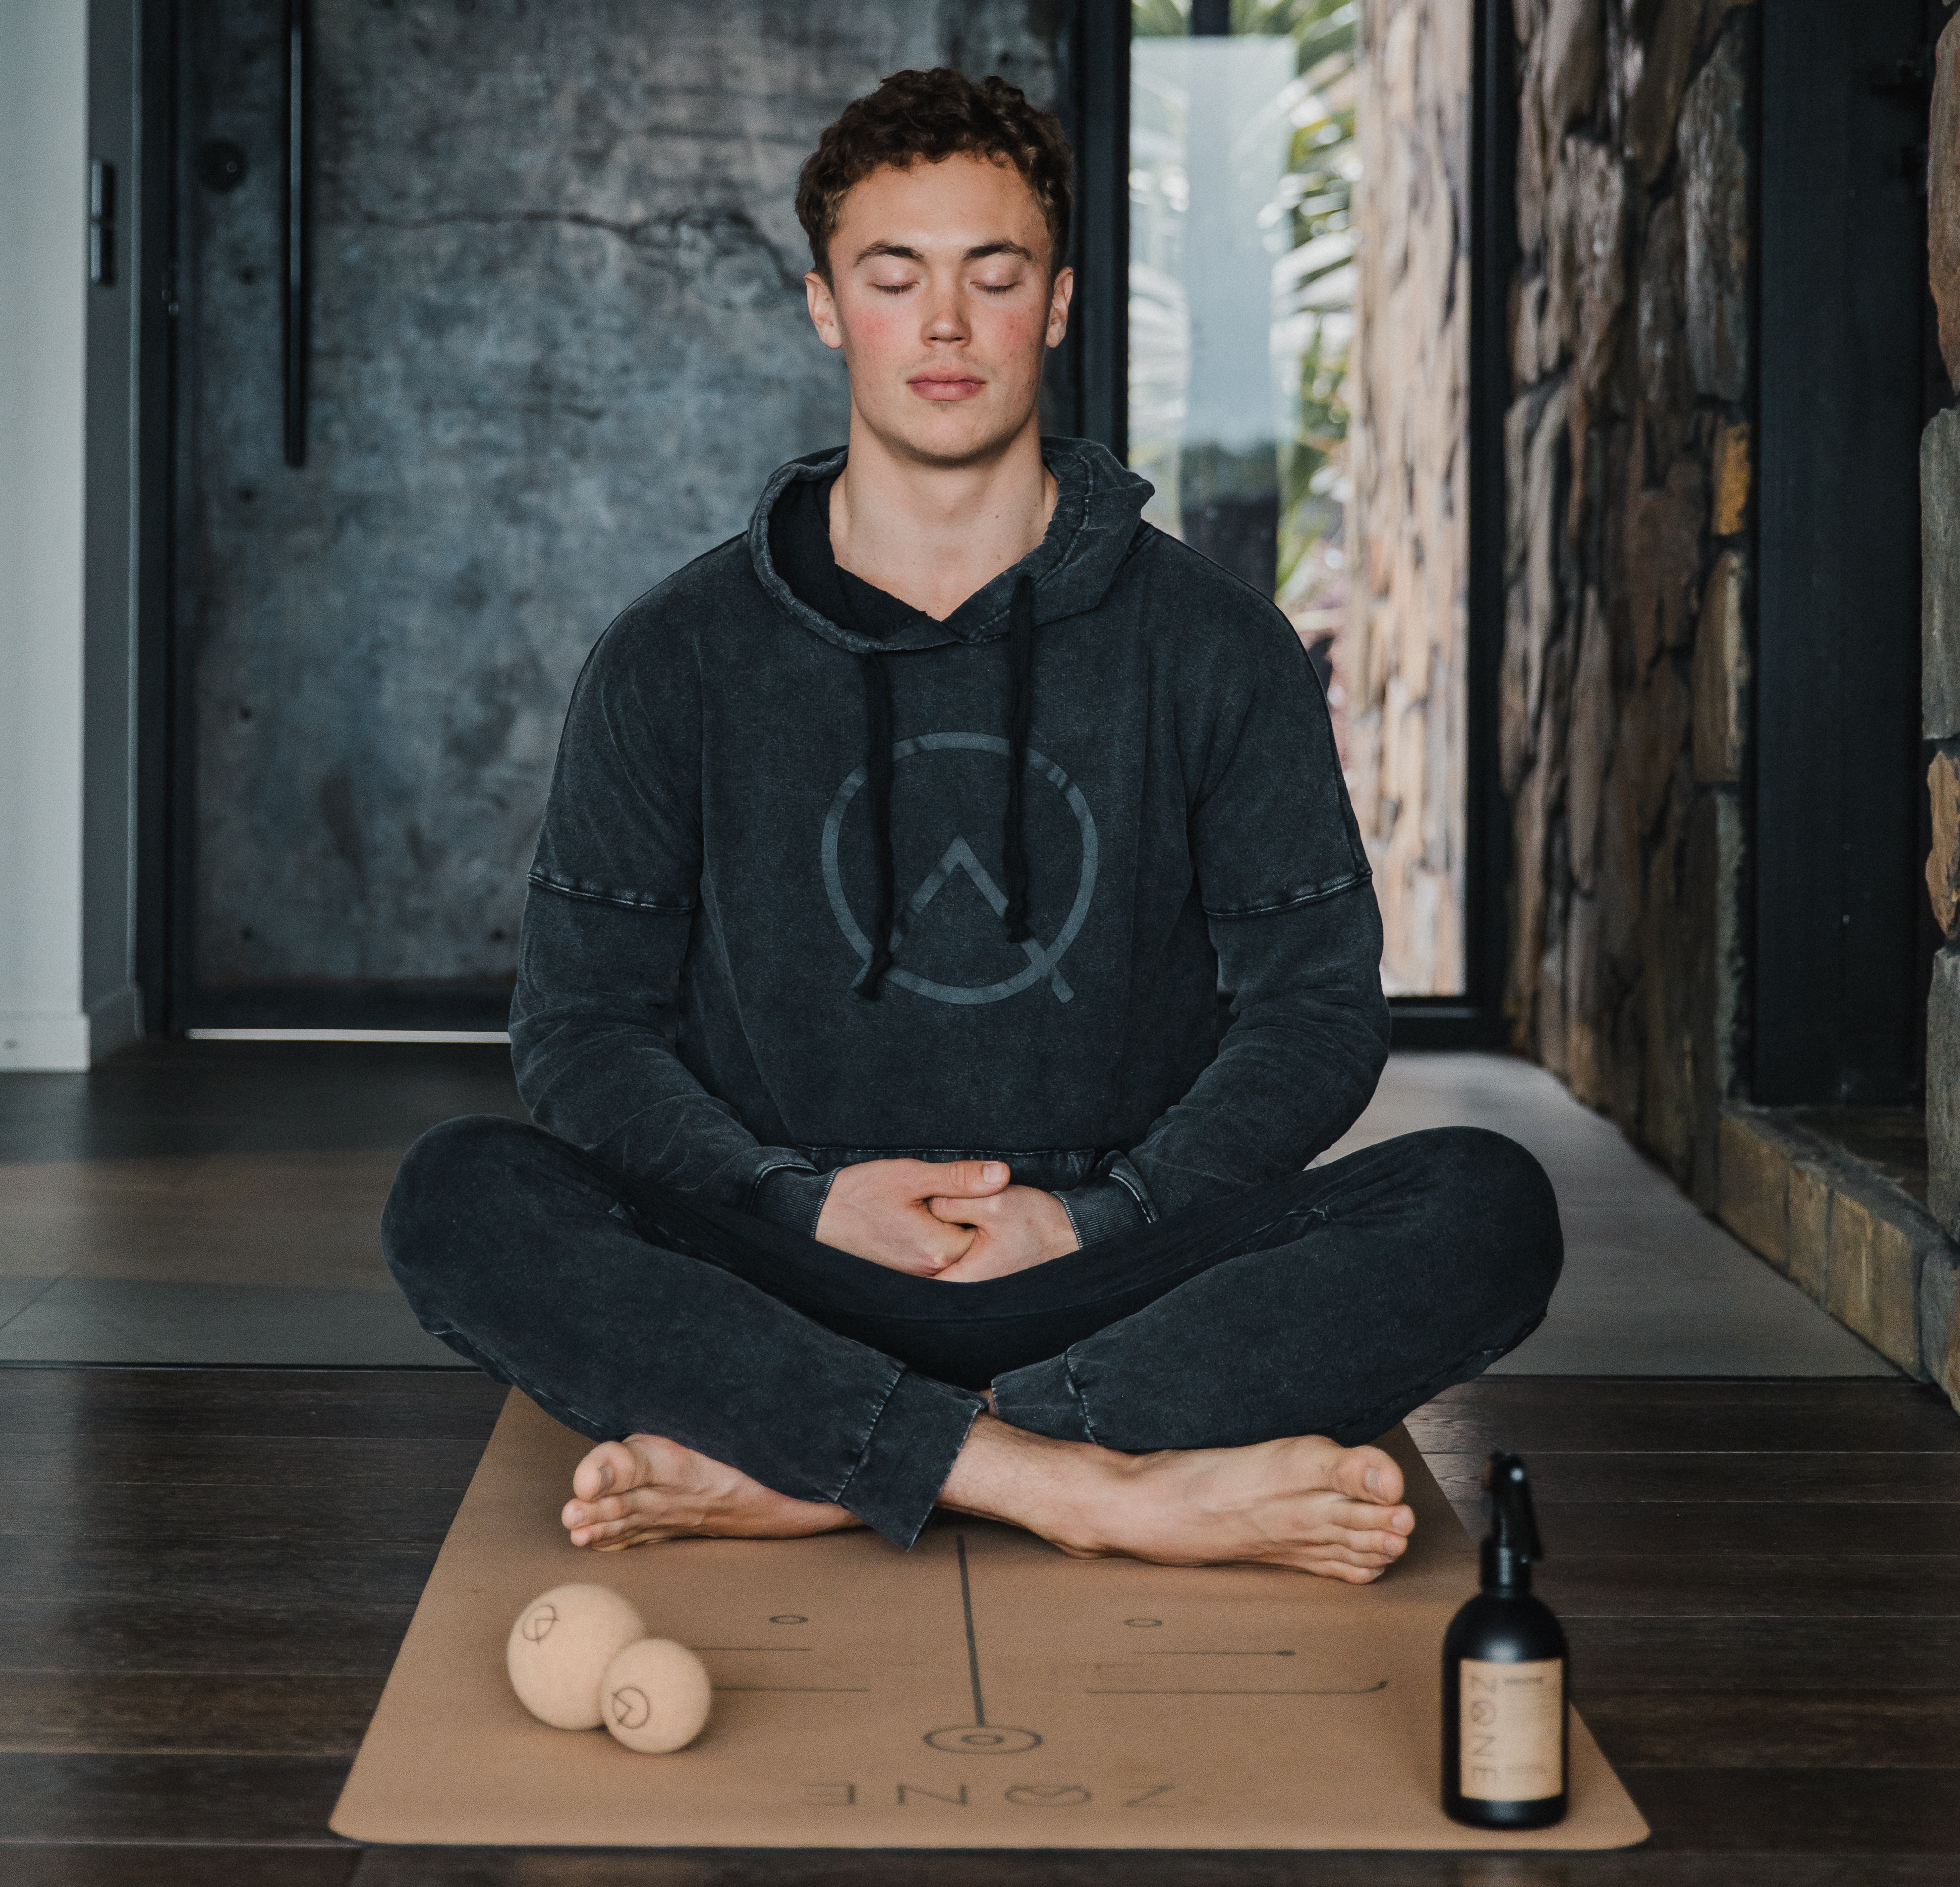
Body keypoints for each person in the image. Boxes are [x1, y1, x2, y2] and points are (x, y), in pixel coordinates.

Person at [383, 68, 1561, 1586]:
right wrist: (793, 1200)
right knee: (462, 1194)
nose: (945, 323)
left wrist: (1093, 1220)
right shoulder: (671, 654)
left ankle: (829, 1458)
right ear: (827, 306)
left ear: (1058, 304)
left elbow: (1317, 1014)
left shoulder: (1214, 643)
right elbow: (580, 1028)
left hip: (1114, 1263)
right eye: (896, 274)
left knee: (1486, 1205)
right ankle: (1079, 1481)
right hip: (791, 1258)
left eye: (992, 274)